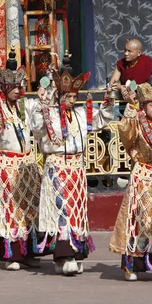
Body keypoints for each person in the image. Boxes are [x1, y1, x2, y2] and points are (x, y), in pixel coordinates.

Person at [31, 53, 115, 275]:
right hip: (57, 167)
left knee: (76, 211)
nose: (72, 99)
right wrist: (42, 105)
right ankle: (63, 255)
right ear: (59, 95)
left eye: (74, 95)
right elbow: (37, 129)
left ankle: (76, 252)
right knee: (61, 210)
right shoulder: (48, 113)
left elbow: (100, 119)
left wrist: (108, 100)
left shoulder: (79, 113)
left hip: (76, 168)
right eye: (68, 95)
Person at [108, 61, 152, 281]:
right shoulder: (137, 122)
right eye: (151, 105)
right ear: (143, 105)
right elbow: (126, 136)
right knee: (139, 221)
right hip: (143, 176)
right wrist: (130, 108)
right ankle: (134, 264)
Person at [0, 48, 42, 271]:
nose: (18, 91)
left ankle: (28, 252)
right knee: (11, 210)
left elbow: (39, 119)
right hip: (7, 165)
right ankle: (13, 254)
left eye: (20, 87)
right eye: (13, 87)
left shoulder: (22, 109)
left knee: (29, 210)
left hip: (26, 164)